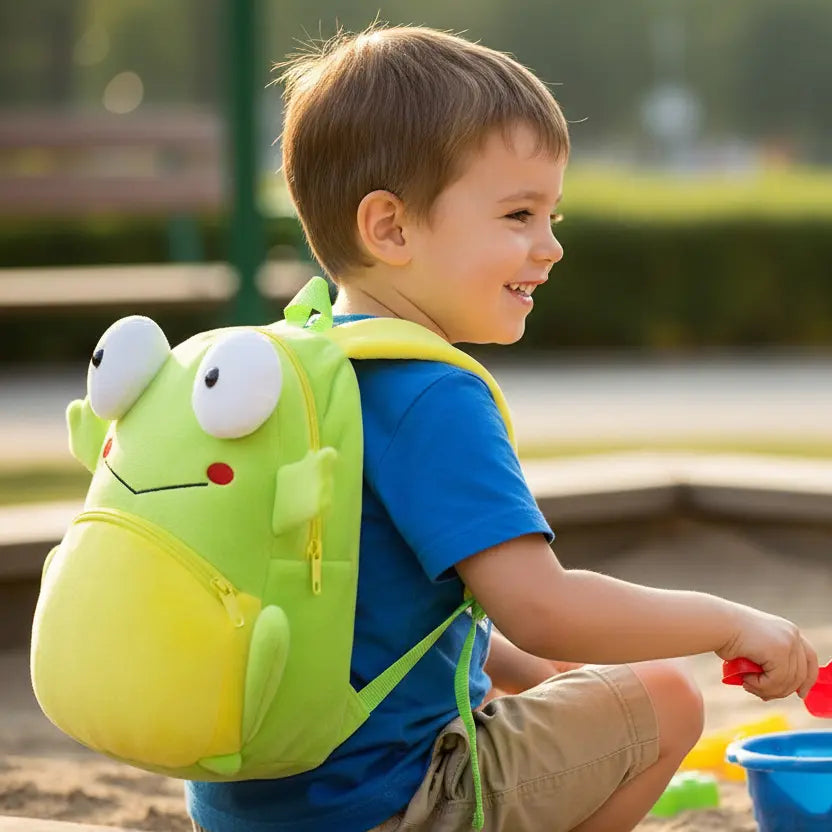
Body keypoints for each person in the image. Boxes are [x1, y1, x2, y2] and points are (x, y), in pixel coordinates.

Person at [187, 24, 819, 832]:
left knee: (568, 682)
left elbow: (363, 605)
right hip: (384, 804)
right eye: (519, 214)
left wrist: (522, 669)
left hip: (247, 806)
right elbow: (542, 606)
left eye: (551, 214)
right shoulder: (431, 394)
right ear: (391, 228)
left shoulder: (306, 367)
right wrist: (729, 621)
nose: (550, 248)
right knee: (662, 699)